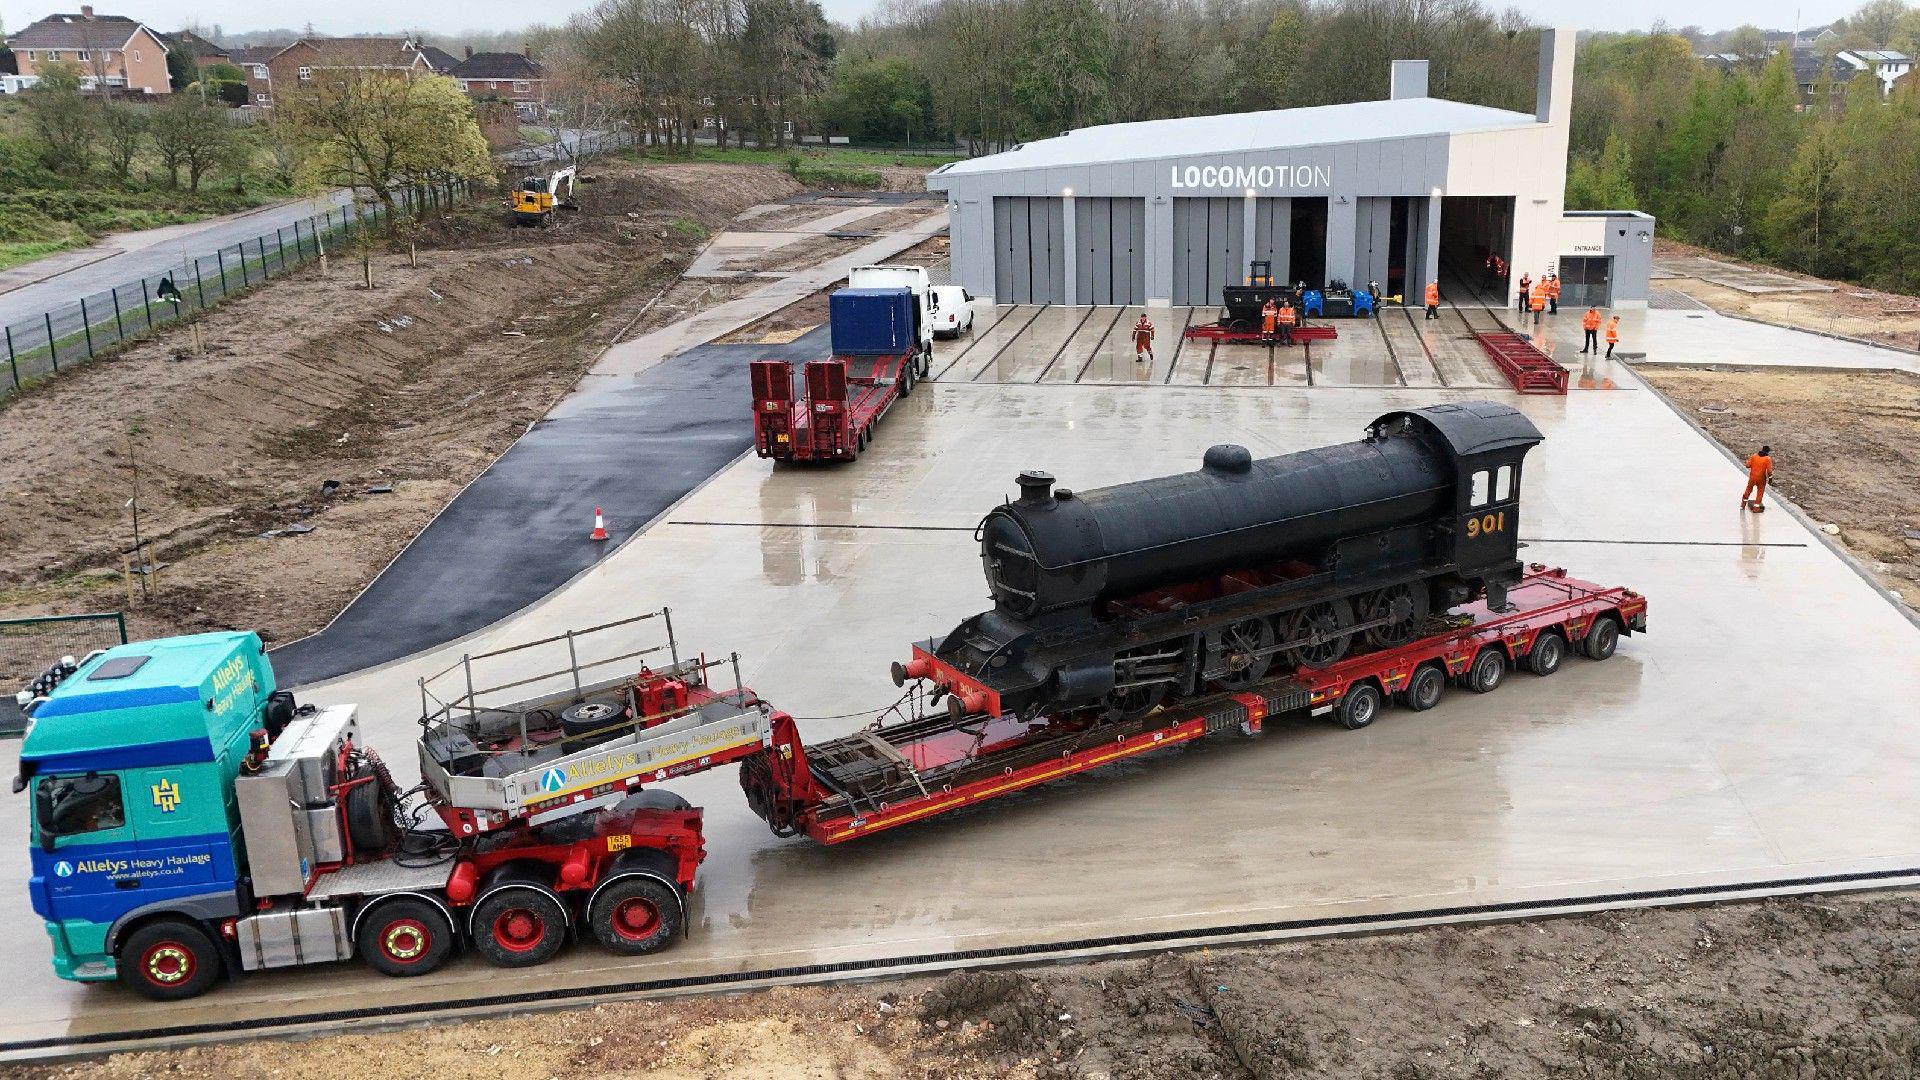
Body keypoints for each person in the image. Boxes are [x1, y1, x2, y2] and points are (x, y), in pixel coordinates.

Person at [1741, 446, 1774, 512]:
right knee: (1760, 492)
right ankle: (1756, 509)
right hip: (1761, 479)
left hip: (1752, 478)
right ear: (1768, 452)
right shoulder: (1767, 459)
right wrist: (1770, 479)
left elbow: (1747, 465)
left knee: (1748, 490)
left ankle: (1742, 505)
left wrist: (1748, 461)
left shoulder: (1754, 456)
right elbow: (1769, 471)